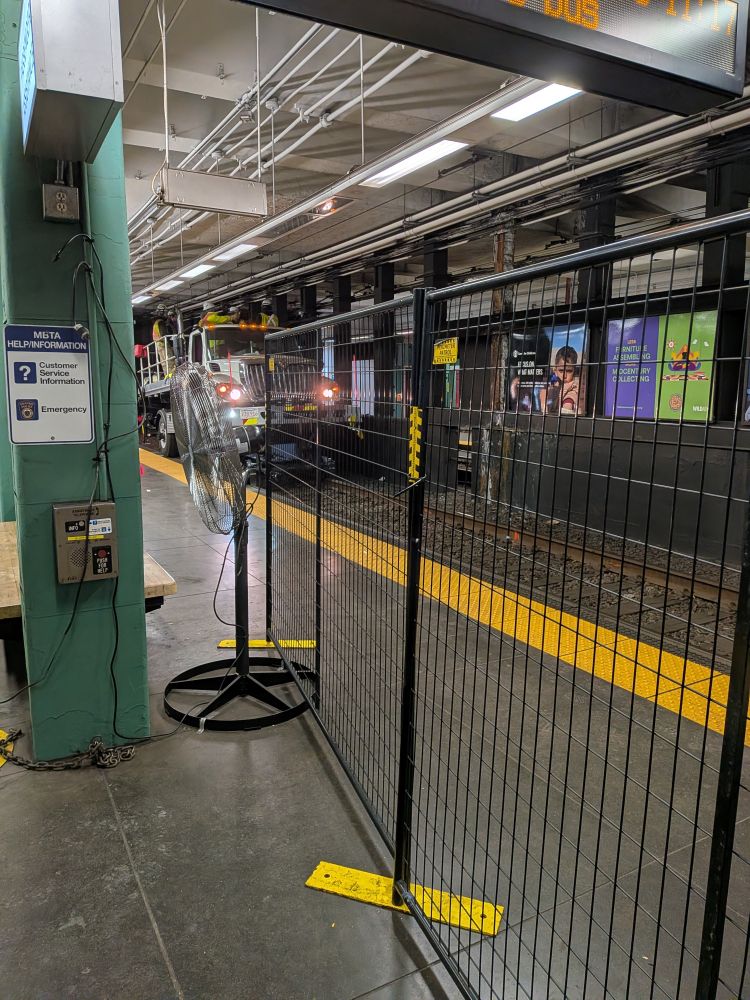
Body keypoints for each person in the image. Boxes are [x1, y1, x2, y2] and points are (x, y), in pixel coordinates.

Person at [543, 345, 580, 415]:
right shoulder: (554, 387)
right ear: (555, 370)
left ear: (574, 371)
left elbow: (567, 408)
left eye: (569, 371)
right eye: (561, 370)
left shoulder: (573, 388)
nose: (564, 375)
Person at [152, 307, 177, 378]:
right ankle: (172, 374)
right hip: (162, 343)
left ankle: (167, 374)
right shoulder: (160, 322)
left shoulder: (156, 322)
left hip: (158, 344)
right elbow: (163, 334)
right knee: (169, 358)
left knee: (164, 361)